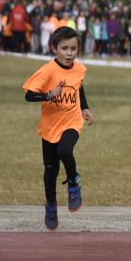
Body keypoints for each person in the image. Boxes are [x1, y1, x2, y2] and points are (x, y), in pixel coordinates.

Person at [22, 27, 94, 231]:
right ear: (54, 48)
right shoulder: (47, 71)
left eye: (73, 48)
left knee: (65, 150)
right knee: (50, 170)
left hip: (71, 122)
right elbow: (28, 95)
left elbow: (78, 87)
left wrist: (85, 108)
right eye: (64, 48)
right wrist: (47, 96)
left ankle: (73, 182)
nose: (70, 53)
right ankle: (51, 205)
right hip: (50, 126)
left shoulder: (80, 68)